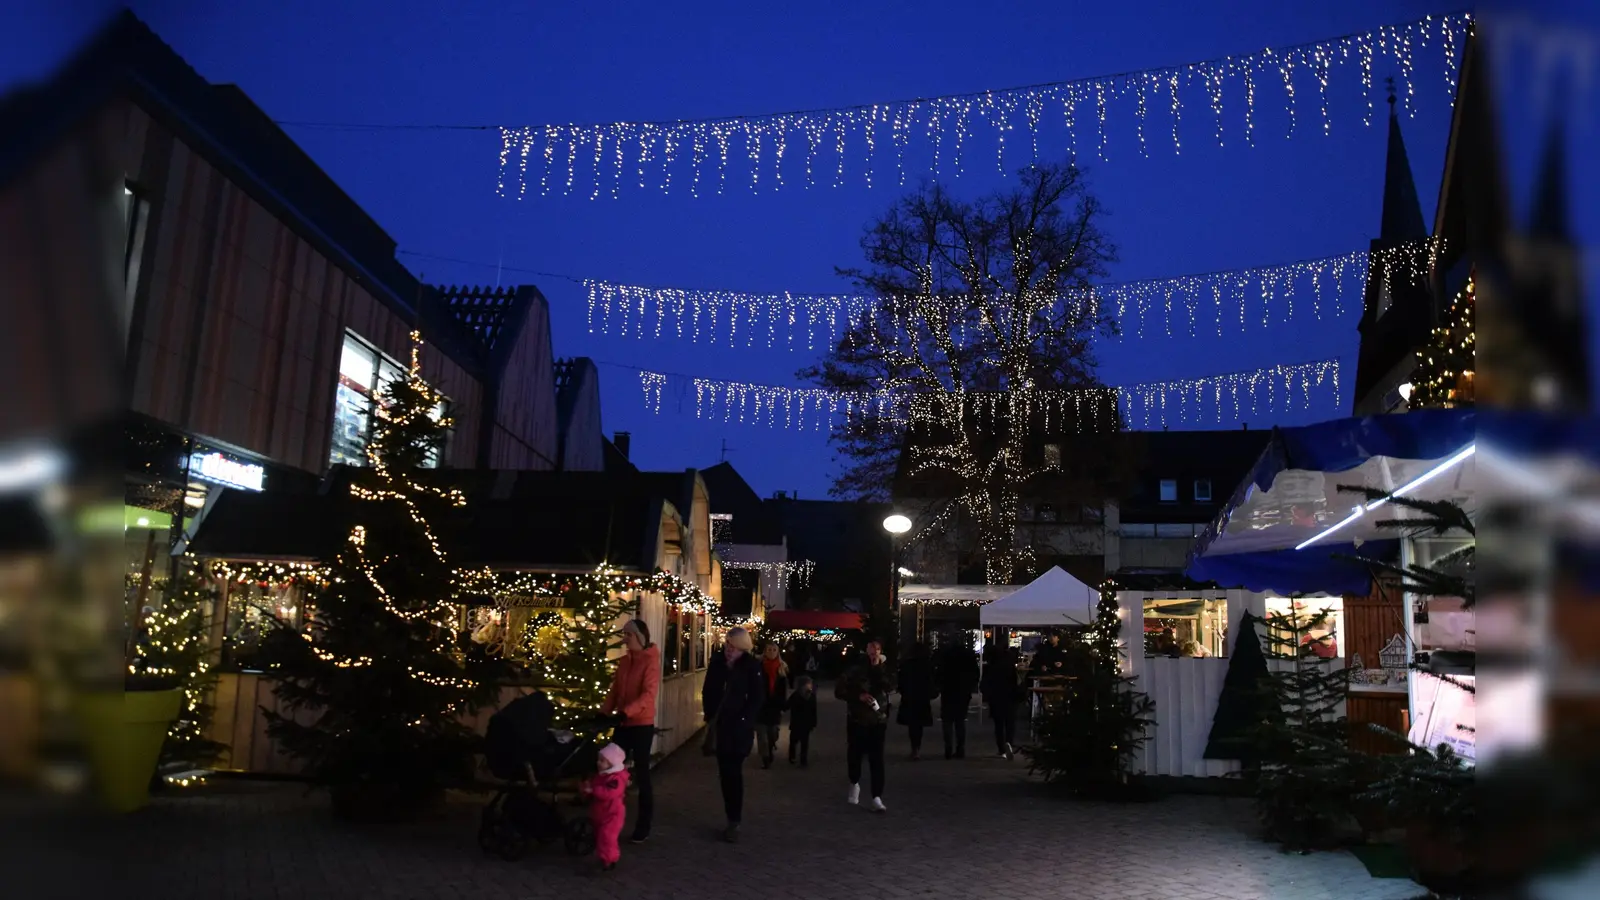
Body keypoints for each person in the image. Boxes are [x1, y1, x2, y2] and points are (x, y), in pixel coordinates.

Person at [701, 626, 764, 842]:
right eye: (727, 644)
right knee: (725, 772)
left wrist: (745, 719)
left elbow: (756, 697)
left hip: (738, 729)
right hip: (721, 726)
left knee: (733, 772)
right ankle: (732, 817)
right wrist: (710, 714)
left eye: (733, 645)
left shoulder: (751, 665)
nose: (729, 649)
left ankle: (734, 820)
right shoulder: (718, 663)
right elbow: (709, 689)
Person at [600, 618, 660, 843]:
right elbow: (615, 690)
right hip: (623, 723)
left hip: (641, 724)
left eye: (628, 635)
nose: (624, 639)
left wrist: (627, 711)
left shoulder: (650, 662)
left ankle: (643, 825)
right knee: (611, 769)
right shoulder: (625, 662)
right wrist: (604, 712)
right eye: (624, 634)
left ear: (639, 638)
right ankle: (609, 817)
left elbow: (648, 694)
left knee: (642, 773)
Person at [835, 639, 894, 812]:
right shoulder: (855, 670)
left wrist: (879, 671)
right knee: (855, 756)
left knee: (877, 760)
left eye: (877, 649)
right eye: (871, 649)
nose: (874, 652)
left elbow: (891, 686)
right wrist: (858, 696)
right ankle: (854, 783)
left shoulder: (885, 669)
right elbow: (839, 690)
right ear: (866, 651)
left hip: (878, 720)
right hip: (857, 719)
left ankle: (877, 796)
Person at [584, 743, 630, 872]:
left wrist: (593, 789)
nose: (599, 763)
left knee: (607, 837)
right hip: (601, 812)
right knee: (600, 836)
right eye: (599, 760)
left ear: (612, 763)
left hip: (613, 814)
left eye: (602, 761)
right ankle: (603, 857)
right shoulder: (602, 775)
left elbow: (609, 793)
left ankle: (608, 860)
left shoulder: (616, 779)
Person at [933, 631, 979, 759]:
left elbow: (939, 671)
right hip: (963, 691)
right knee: (960, 721)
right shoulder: (968, 655)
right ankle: (960, 748)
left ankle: (948, 748)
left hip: (948, 690)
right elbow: (975, 673)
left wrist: (939, 685)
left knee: (947, 720)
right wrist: (970, 687)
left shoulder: (945, 655)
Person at [980, 639, 1022, 759]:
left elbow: (984, 684)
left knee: (998, 724)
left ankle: (1001, 748)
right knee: (1010, 722)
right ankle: (1009, 741)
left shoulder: (990, 666)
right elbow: (1016, 681)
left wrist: (987, 696)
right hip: (1010, 696)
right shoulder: (1010, 665)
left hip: (996, 697)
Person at [894, 641, 935, 760]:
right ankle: (917, 747)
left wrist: (903, 691)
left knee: (912, 725)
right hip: (922, 698)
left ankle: (914, 748)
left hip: (910, 697)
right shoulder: (927, 665)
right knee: (919, 725)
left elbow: (901, 681)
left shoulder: (907, 664)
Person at [756, 642, 791, 769]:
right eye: (769, 649)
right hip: (760, 706)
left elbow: (783, 691)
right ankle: (766, 758)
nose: (771, 652)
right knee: (762, 735)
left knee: (773, 734)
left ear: (778, 652)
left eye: (774, 650)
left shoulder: (781, 668)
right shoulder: (758, 666)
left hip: (774, 707)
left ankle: (770, 748)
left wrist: (782, 707)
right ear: (765, 651)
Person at [787, 675, 818, 766]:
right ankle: (796, 758)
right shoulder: (799, 695)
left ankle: (800, 759)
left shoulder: (809, 696)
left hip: (802, 722)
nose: (811, 686)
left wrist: (814, 722)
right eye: (809, 684)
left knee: (801, 742)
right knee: (797, 741)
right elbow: (787, 705)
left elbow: (814, 710)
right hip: (800, 722)